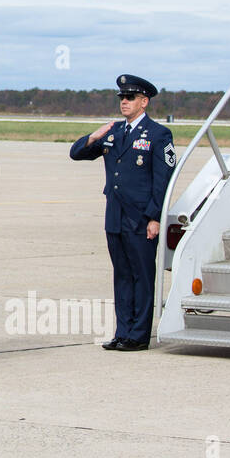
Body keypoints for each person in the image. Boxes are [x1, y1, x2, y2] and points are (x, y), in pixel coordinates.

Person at [69, 74, 175, 351]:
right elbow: (77, 153)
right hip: (115, 216)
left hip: (140, 218)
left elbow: (162, 181)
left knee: (141, 275)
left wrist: (154, 217)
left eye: (130, 98)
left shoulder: (158, 134)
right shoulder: (114, 131)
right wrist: (94, 135)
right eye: (121, 98)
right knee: (122, 275)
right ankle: (122, 332)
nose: (124, 102)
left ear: (144, 101)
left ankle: (138, 336)